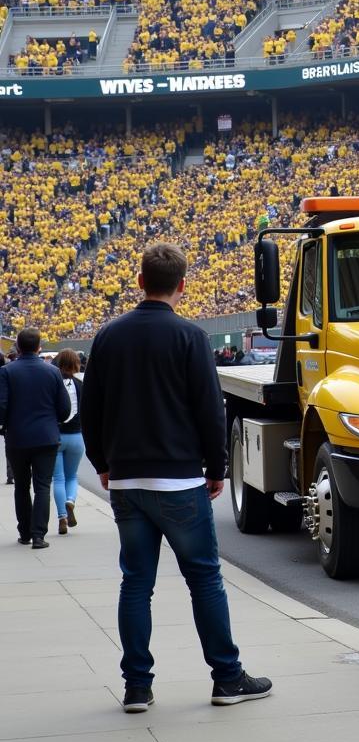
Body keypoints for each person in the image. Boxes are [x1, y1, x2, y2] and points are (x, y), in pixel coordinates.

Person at [81, 243, 272, 714]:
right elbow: (210, 408)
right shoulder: (189, 337)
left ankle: (136, 687)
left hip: (127, 481)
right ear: (182, 286)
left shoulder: (107, 337)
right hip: (180, 480)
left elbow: (91, 409)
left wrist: (102, 462)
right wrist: (216, 467)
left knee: (135, 584)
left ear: (140, 282)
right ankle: (227, 677)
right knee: (204, 580)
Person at [0, 327, 71, 549]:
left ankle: (25, 532)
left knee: (21, 485)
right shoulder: (52, 372)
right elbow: (65, 408)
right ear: (39, 347)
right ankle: (39, 535)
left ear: (18, 347)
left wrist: (4, 426)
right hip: (46, 436)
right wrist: (53, 421)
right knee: (43, 486)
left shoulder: (7, 372)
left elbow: (2, 405)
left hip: (18, 437)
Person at [52, 349, 86, 535]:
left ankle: (62, 517)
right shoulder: (80, 384)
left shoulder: (52, 382)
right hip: (76, 435)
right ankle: (71, 499)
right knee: (72, 475)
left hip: (56, 435)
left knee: (57, 478)